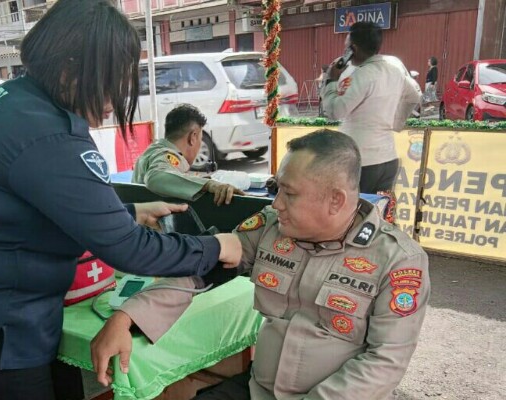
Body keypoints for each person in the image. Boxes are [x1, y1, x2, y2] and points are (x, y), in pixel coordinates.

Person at [0, 1, 242, 399]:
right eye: (110, 81)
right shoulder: (50, 136)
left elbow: (28, 206)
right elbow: (129, 250)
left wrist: (129, 212)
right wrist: (217, 246)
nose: (114, 97)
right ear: (69, 70)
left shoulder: (12, 100)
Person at [103, 129, 430, 399]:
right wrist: (128, 315)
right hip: (260, 389)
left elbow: (385, 360)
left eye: (289, 193)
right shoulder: (272, 226)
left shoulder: (397, 261)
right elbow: (201, 271)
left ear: (336, 200)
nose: (277, 203)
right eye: (277, 189)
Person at [321, 22, 421, 194]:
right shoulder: (394, 70)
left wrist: (331, 81)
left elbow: (335, 111)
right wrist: (395, 123)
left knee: (355, 209)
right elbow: (415, 96)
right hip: (388, 158)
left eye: (346, 48)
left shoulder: (363, 74)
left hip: (362, 161)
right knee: (379, 209)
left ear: (354, 48)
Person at [132, 104, 245, 206]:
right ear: (193, 137)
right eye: (200, 139)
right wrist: (209, 184)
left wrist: (194, 182)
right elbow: (156, 177)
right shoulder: (170, 156)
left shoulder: (151, 151)